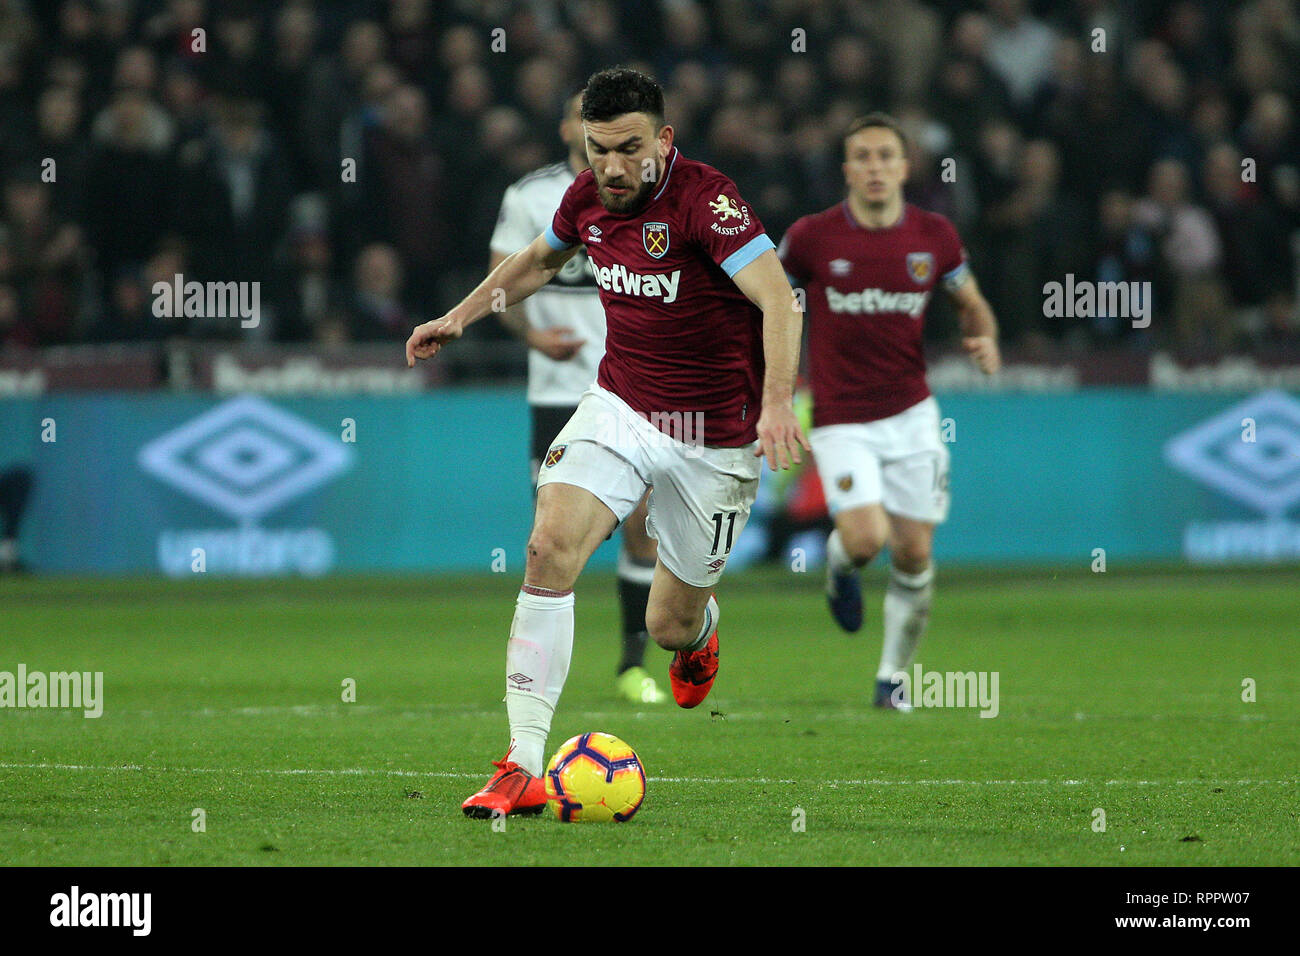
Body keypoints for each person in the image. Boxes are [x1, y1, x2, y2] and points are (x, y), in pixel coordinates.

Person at [406, 68, 808, 817]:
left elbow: (779, 298)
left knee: (669, 625)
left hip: (713, 439)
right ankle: (522, 762)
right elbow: (535, 261)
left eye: (629, 149)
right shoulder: (586, 197)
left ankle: (702, 631)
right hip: (620, 405)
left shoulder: (708, 203)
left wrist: (778, 403)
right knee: (548, 547)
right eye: (599, 150)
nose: (614, 168)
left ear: (664, 140)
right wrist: (460, 317)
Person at [778, 113, 1000, 710]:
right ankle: (839, 566)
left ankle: (892, 679)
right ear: (847, 169)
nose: (875, 167)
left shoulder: (935, 237)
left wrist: (984, 338)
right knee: (867, 538)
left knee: (915, 552)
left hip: (912, 413)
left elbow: (972, 304)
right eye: (863, 157)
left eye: (885, 156)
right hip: (841, 416)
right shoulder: (810, 238)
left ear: (905, 167)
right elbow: (770, 302)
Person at [489, 91, 666, 706]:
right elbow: (504, 280)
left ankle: (632, 663)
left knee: (644, 520)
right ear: (570, 127)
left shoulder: (657, 198)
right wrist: (534, 336)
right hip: (558, 391)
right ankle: (532, 679)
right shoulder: (530, 197)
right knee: (552, 538)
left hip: (634, 390)